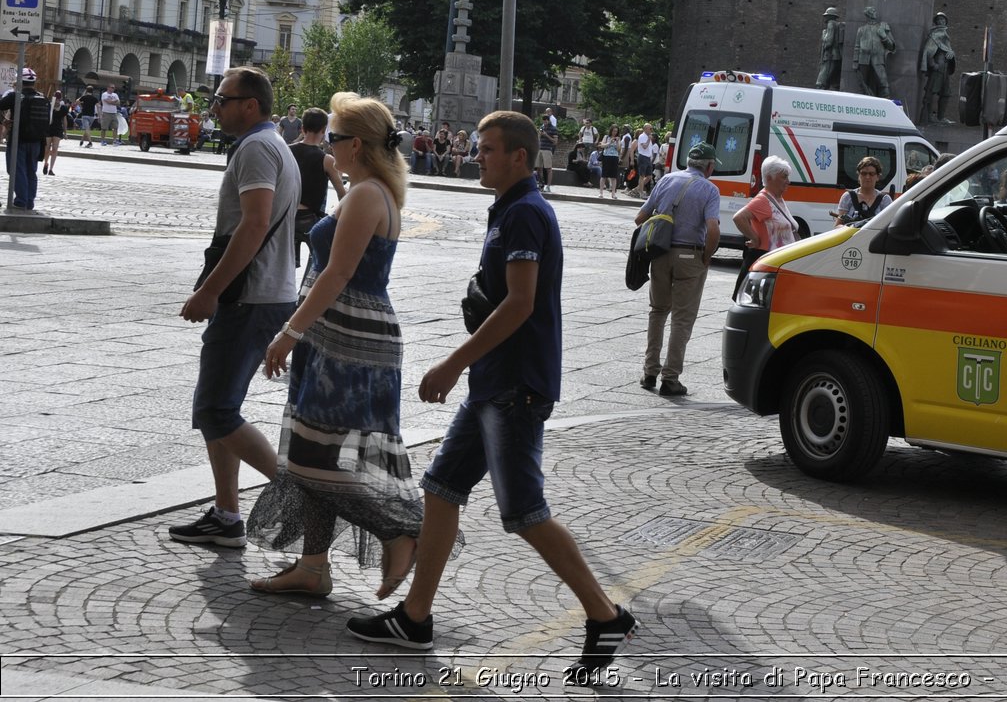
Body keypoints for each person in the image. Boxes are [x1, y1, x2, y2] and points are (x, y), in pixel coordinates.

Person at [347, 111, 636, 674]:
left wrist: (453, 363)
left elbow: (521, 303)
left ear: (519, 157)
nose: (477, 157)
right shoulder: (511, 208)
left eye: (487, 150)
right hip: (495, 385)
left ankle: (605, 615)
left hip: (514, 387)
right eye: (478, 148)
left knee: (524, 513)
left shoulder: (526, 214)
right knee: (441, 488)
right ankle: (415, 618)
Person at [247, 93, 422, 600]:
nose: (329, 142)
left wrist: (290, 331)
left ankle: (397, 528)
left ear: (359, 145)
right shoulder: (366, 188)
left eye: (337, 137)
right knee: (314, 451)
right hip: (339, 335)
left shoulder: (368, 195)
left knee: (308, 458)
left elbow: (339, 272)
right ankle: (314, 565)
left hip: (350, 340)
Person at [168, 66, 300, 548]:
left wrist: (210, 290)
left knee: (216, 409)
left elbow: (254, 224)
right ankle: (226, 515)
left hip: (251, 294)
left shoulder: (258, 148)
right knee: (217, 406)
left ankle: (298, 494)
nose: (215, 107)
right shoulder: (272, 144)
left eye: (222, 99)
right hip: (262, 292)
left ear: (250, 104)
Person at [633, 141, 721, 396]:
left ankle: (650, 371)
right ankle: (670, 378)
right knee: (682, 318)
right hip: (690, 254)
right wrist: (706, 255)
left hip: (660, 254)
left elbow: (640, 217)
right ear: (709, 166)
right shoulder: (709, 189)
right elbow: (713, 229)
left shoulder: (666, 180)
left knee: (657, 311)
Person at [731, 157, 798, 299]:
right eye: (784, 177)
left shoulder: (777, 199)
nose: (788, 181)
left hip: (777, 261)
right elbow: (739, 217)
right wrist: (754, 238)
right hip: (766, 261)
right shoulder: (763, 200)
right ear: (769, 178)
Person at [289, 108, 347, 268]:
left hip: (287, 216)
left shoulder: (287, 151)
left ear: (302, 128)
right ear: (324, 130)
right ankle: (306, 291)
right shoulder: (326, 160)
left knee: (287, 267)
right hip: (310, 217)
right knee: (318, 261)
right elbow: (342, 194)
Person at [0, 68, 47, 209]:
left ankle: (21, 201)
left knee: (16, 169)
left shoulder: (15, 96)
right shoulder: (42, 97)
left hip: (18, 139)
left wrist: (3, 120)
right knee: (31, 171)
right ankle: (29, 201)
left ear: (19, 81)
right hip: (37, 141)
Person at [919, 12, 957, 124]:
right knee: (931, 92)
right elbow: (928, 50)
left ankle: (941, 118)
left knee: (946, 93)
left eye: (943, 19)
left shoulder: (944, 34)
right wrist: (932, 64)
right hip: (938, 67)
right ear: (936, 22)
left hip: (945, 67)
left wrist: (951, 54)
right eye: (939, 20)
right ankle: (927, 117)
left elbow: (946, 49)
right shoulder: (935, 34)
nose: (941, 21)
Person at [833, 155, 891, 228]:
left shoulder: (885, 200)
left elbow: (889, 226)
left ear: (878, 177)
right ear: (859, 176)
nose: (867, 177)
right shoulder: (848, 197)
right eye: (864, 173)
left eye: (871, 174)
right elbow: (837, 225)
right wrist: (849, 228)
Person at [854, 6, 896, 98]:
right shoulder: (861, 29)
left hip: (878, 59)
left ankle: (886, 102)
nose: (875, 12)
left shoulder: (882, 27)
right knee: (863, 85)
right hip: (863, 59)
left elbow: (892, 46)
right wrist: (855, 62)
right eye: (873, 11)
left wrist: (883, 35)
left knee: (883, 83)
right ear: (868, 14)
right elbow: (857, 46)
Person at [816, 6, 845, 89]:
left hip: (830, 55)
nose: (824, 17)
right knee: (833, 79)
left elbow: (828, 41)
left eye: (826, 15)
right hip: (836, 56)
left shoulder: (831, 24)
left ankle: (819, 92)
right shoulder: (836, 24)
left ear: (830, 16)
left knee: (822, 78)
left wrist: (824, 34)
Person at [44, 90, 70, 175]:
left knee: (55, 148)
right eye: (56, 99)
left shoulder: (63, 108)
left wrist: (65, 132)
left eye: (59, 99)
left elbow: (64, 120)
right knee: (47, 148)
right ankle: (46, 163)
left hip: (58, 129)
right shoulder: (49, 106)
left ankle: (51, 168)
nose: (57, 101)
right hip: (48, 128)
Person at [631, 124, 657, 198]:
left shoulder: (648, 136)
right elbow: (644, 146)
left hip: (648, 158)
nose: (651, 130)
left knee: (649, 176)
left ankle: (637, 189)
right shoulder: (642, 136)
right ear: (645, 129)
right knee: (642, 176)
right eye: (650, 129)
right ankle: (641, 193)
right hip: (643, 157)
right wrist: (649, 139)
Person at [599, 125, 623, 199]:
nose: (614, 132)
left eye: (616, 131)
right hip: (606, 157)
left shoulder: (618, 139)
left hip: (614, 157)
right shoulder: (606, 137)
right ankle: (601, 193)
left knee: (613, 176)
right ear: (611, 131)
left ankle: (613, 193)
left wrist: (617, 142)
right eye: (613, 131)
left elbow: (619, 149)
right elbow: (602, 146)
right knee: (604, 175)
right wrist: (610, 142)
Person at [537, 110, 559, 190]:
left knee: (548, 168)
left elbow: (555, 142)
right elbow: (539, 139)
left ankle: (548, 186)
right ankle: (541, 183)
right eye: (543, 121)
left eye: (546, 121)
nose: (545, 122)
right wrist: (539, 135)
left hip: (547, 150)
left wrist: (546, 135)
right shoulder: (542, 127)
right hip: (540, 149)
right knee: (539, 168)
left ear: (548, 120)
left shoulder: (553, 129)